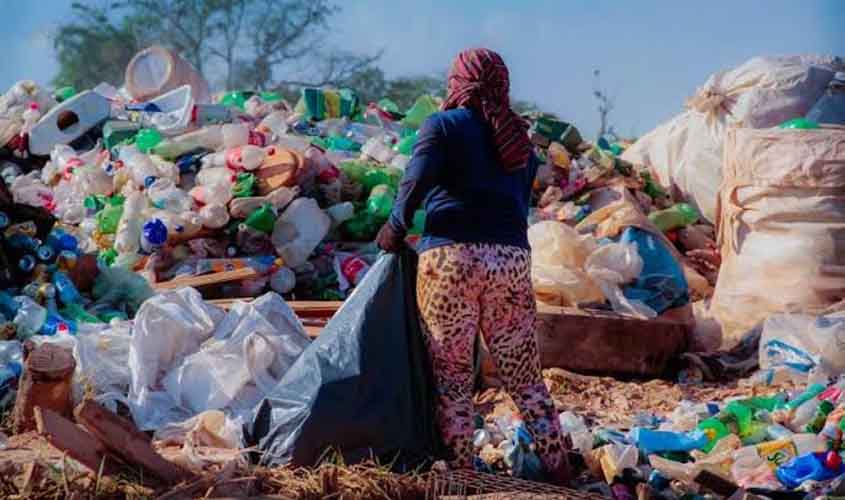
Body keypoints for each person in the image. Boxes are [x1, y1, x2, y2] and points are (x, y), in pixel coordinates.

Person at [376, 48, 570, 483]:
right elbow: (519, 205)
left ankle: (463, 474)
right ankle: (561, 469)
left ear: (457, 83)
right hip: (511, 262)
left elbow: (415, 181)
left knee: (452, 376)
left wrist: (394, 226)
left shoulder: (442, 126)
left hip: (451, 261)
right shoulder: (519, 141)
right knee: (524, 375)